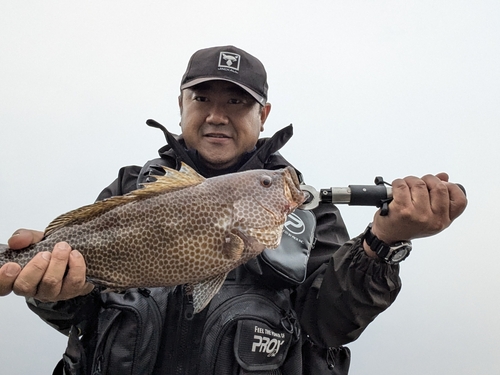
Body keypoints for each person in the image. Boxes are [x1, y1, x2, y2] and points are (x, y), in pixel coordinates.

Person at [0, 45, 467, 375]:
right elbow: (79, 315)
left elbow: (329, 324)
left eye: (237, 102)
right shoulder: (129, 189)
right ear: (181, 104)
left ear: (263, 114)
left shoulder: (302, 208)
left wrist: (382, 244)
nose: (217, 115)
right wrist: (52, 290)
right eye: (202, 99)